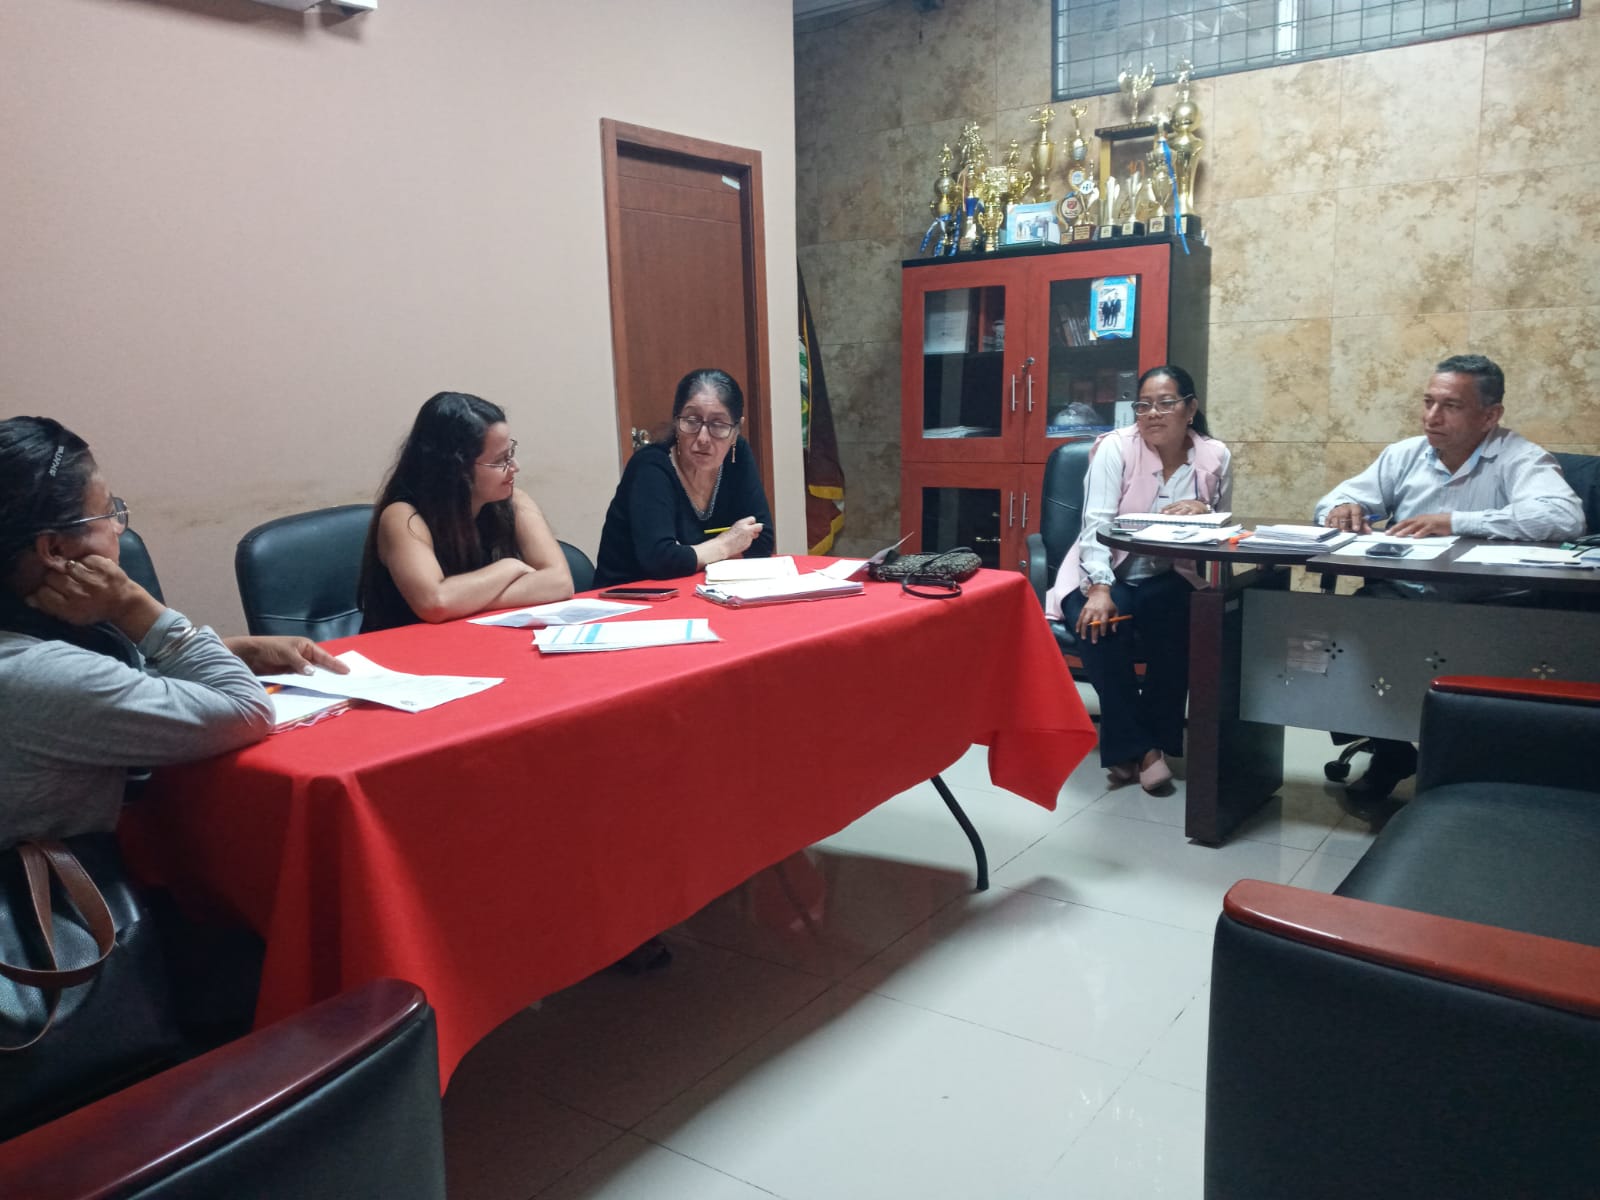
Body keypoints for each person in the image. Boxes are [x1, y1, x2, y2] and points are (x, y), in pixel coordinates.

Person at [0, 416, 346, 847]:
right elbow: (247, 709)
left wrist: (232, 650)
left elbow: (100, 683)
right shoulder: (36, 675)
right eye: (109, 513)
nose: (118, 528)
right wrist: (134, 606)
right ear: (54, 549)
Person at [1314, 353, 1585, 798]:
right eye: (1428, 402)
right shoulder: (1405, 455)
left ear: (1490, 416)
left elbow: (1563, 516)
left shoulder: (1520, 457)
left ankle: (1475, 772)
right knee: (1337, 634)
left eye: (1451, 406)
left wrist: (1457, 521)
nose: (1432, 417)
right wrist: (1344, 507)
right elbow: (1334, 501)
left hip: (1490, 604)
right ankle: (1390, 749)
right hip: (1403, 596)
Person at [1045, 365, 1231, 794]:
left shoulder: (1214, 457)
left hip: (1167, 573)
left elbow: (1222, 529)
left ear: (1190, 408)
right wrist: (1099, 588)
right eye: (1143, 405)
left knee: (1181, 619)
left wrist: (1204, 510)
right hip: (1099, 570)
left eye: (1165, 403)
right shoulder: (1116, 448)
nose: (1152, 414)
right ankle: (1145, 750)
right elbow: (1095, 523)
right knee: (1101, 624)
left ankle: (1144, 744)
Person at [359, 392, 573, 632]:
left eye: (510, 454)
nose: (515, 467)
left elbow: (560, 582)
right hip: (403, 648)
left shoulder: (515, 501)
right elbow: (435, 603)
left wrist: (464, 602)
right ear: (456, 469)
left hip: (477, 640)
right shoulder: (403, 516)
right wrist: (510, 567)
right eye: (500, 460)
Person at [593, 368, 774, 589]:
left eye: (718, 425)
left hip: (699, 590)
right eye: (691, 421)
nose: (703, 438)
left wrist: (690, 555)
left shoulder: (738, 455)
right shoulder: (650, 467)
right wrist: (725, 545)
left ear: (736, 429)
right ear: (676, 421)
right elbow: (659, 560)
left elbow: (762, 541)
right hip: (628, 598)